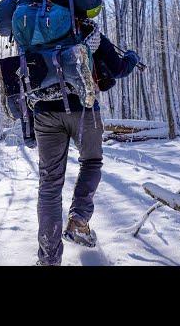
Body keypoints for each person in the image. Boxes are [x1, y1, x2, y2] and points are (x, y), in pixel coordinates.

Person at [33, 18, 139, 266]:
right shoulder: (88, 31)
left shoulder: (34, 29)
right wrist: (132, 58)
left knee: (49, 184)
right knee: (91, 162)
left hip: (44, 113)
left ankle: (49, 259)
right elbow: (118, 68)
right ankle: (79, 220)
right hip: (84, 109)